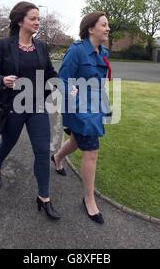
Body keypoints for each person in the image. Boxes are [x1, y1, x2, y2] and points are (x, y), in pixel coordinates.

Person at [0, 1, 61, 221]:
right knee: (8, 143)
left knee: (41, 151)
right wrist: (3, 80)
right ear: (20, 21)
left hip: (37, 105)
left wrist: (64, 85)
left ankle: (44, 197)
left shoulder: (41, 46)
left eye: (38, 18)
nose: (37, 22)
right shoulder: (4, 45)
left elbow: (49, 72)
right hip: (13, 106)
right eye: (33, 18)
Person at [53, 12, 112, 224]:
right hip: (78, 109)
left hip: (95, 106)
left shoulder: (103, 51)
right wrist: (72, 96)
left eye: (108, 25)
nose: (108, 29)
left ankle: (58, 158)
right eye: (104, 25)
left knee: (77, 142)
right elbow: (63, 80)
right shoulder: (76, 51)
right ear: (90, 29)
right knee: (91, 151)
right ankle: (89, 200)